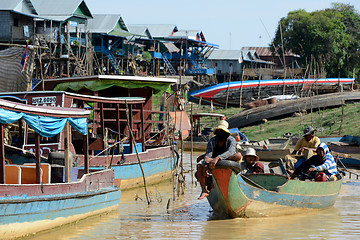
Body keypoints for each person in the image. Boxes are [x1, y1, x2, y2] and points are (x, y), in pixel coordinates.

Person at [195, 122, 242, 200]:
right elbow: (208, 154)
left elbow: (231, 152)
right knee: (199, 164)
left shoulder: (231, 140)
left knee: (238, 155)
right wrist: (205, 165)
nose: (220, 133)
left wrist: (217, 158)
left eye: (222, 131)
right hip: (212, 161)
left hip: (228, 159)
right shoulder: (212, 141)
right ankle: (204, 190)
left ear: (226, 133)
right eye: (219, 131)